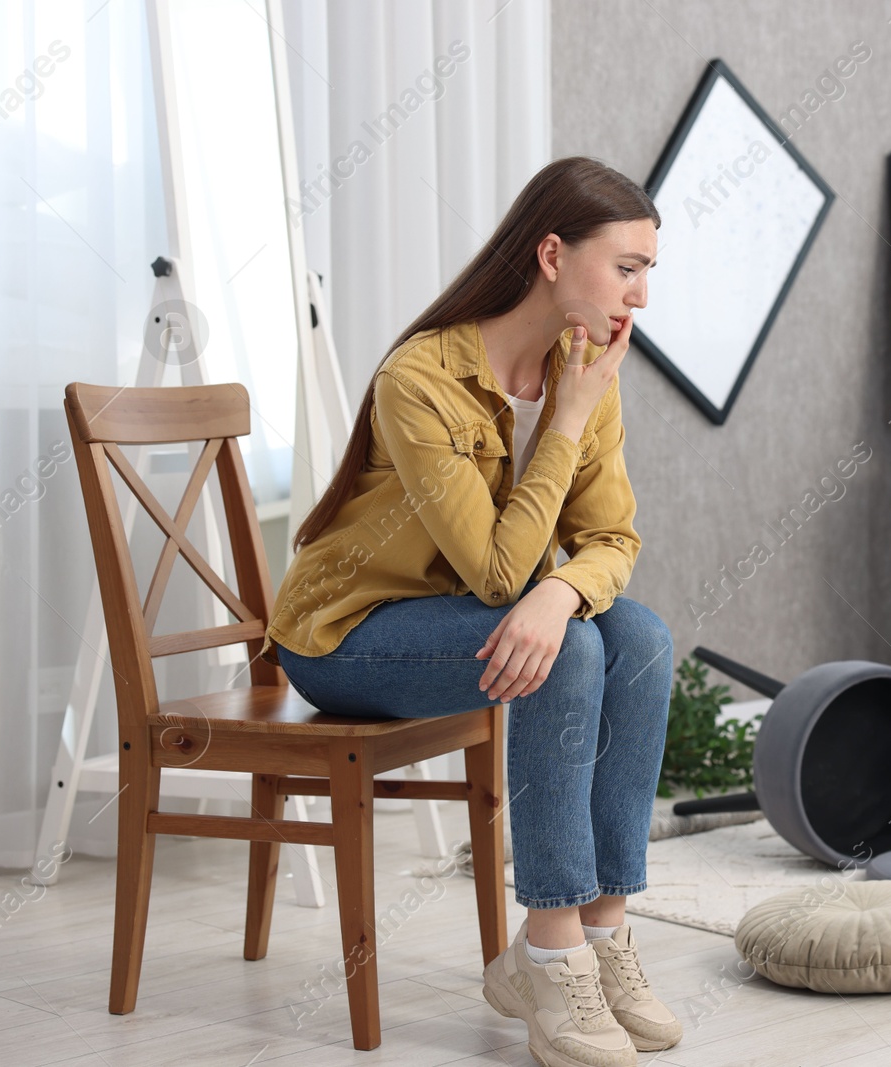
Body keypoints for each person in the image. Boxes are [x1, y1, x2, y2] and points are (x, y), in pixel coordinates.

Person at [262, 156, 678, 1066]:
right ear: (552, 254)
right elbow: (496, 575)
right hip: (350, 637)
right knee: (566, 655)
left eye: (649, 270)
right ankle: (548, 950)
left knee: (640, 638)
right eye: (627, 267)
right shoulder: (423, 377)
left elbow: (613, 539)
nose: (639, 296)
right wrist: (564, 422)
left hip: (468, 624)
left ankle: (604, 932)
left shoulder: (582, 364)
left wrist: (560, 592)